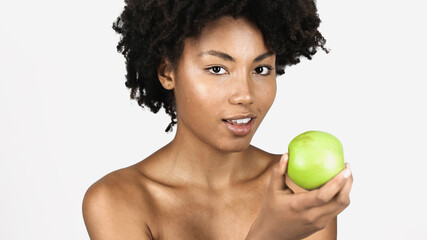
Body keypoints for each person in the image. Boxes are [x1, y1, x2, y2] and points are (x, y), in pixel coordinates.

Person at [82, 0, 353, 239]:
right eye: (217, 69)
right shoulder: (117, 200)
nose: (245, 95)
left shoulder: (299, 194)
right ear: (167, 72)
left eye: (260, 69)